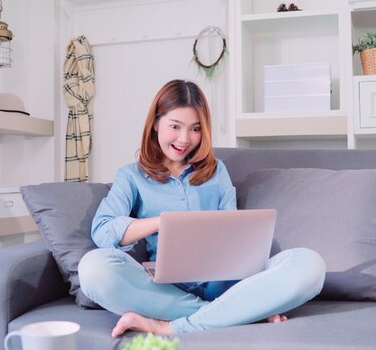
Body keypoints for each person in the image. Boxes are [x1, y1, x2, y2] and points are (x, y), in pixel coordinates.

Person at [78, 79, 326, 337]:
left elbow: (234, 230)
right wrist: (161, 222)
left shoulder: (217, 171)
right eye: (175, 126)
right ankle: (236, 312)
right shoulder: (131, 176)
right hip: (167, 291)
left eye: (195, 129)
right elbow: (103, 231)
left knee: (310, 265)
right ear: (155, 123)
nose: (185, 139)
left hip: (227, 284)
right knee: (93, 268)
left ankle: (171, 326)